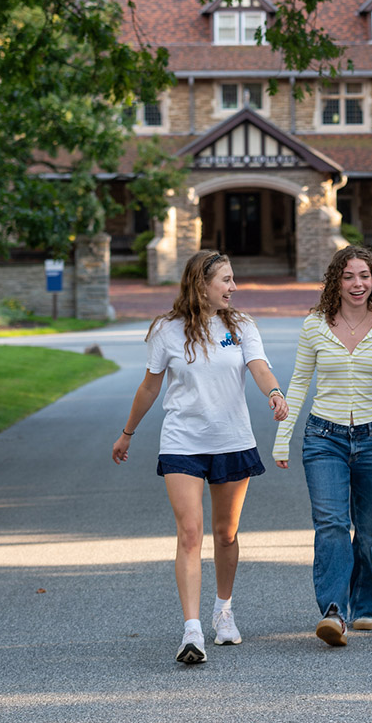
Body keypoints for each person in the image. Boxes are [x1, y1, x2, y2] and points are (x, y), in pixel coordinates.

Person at [111, 249, 288, 665]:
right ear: (201, 283)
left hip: (232, 440)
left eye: (232, 279)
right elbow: (150, 388)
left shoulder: (242, 325)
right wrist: (127, 433)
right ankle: (192, 631)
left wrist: (274, 392)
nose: (233, 287)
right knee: (190, 533)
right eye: (225, 280)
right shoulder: (167, 330)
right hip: (182, 442)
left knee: (225, 533)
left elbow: (259, 367)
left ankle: (222, 611)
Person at [273, 246, 372, 647]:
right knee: (330, 524)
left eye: (364, 276)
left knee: (369, 530)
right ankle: (334, 611)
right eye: (348, 276)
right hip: (323, 438)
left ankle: (366, 604)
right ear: (336, 281)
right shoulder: (314, 325)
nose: (357, 284)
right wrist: (283, 436)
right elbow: (298, 382)